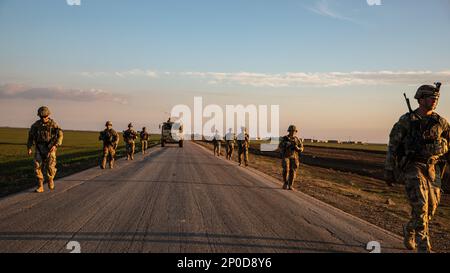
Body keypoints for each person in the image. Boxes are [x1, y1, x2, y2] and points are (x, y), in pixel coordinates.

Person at [385, 83, 449, 253]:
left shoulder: (440, 122)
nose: (434, 100)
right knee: (420, 207)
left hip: (432, 169)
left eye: (436, 98)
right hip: (413, 167)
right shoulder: (407, 120)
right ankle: (424, 248)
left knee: (430, 211)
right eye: (430, 97)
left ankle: (409, 229)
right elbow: (393, 145)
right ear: (420, 99)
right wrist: (389, 169)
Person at [27, 106, 64, 193]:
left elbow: (60, 135)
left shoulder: (53, 125)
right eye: (41, 117)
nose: (43, 118)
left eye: (45, 116)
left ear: (48, 115)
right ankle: (40, 186)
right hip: (39, 148)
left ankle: (50, 179)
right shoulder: (35, 126)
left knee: (50, 167)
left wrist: (56, 145)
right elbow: (30, 137)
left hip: (50, 148)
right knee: (37, 167)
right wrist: (29, 147)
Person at [278, 125, 304, 190]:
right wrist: (286, 145)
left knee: (293, 171)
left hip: (294, 157)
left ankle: (290, 185)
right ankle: (285, 183)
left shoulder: (297, 139)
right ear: (289, 131)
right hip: (286, 156)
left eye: (294, 131)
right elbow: (280, 146)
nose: (292, 132)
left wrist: (297, 148)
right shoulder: (285, 138)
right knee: (286, 169)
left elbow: (302, 148)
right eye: (291, 131)